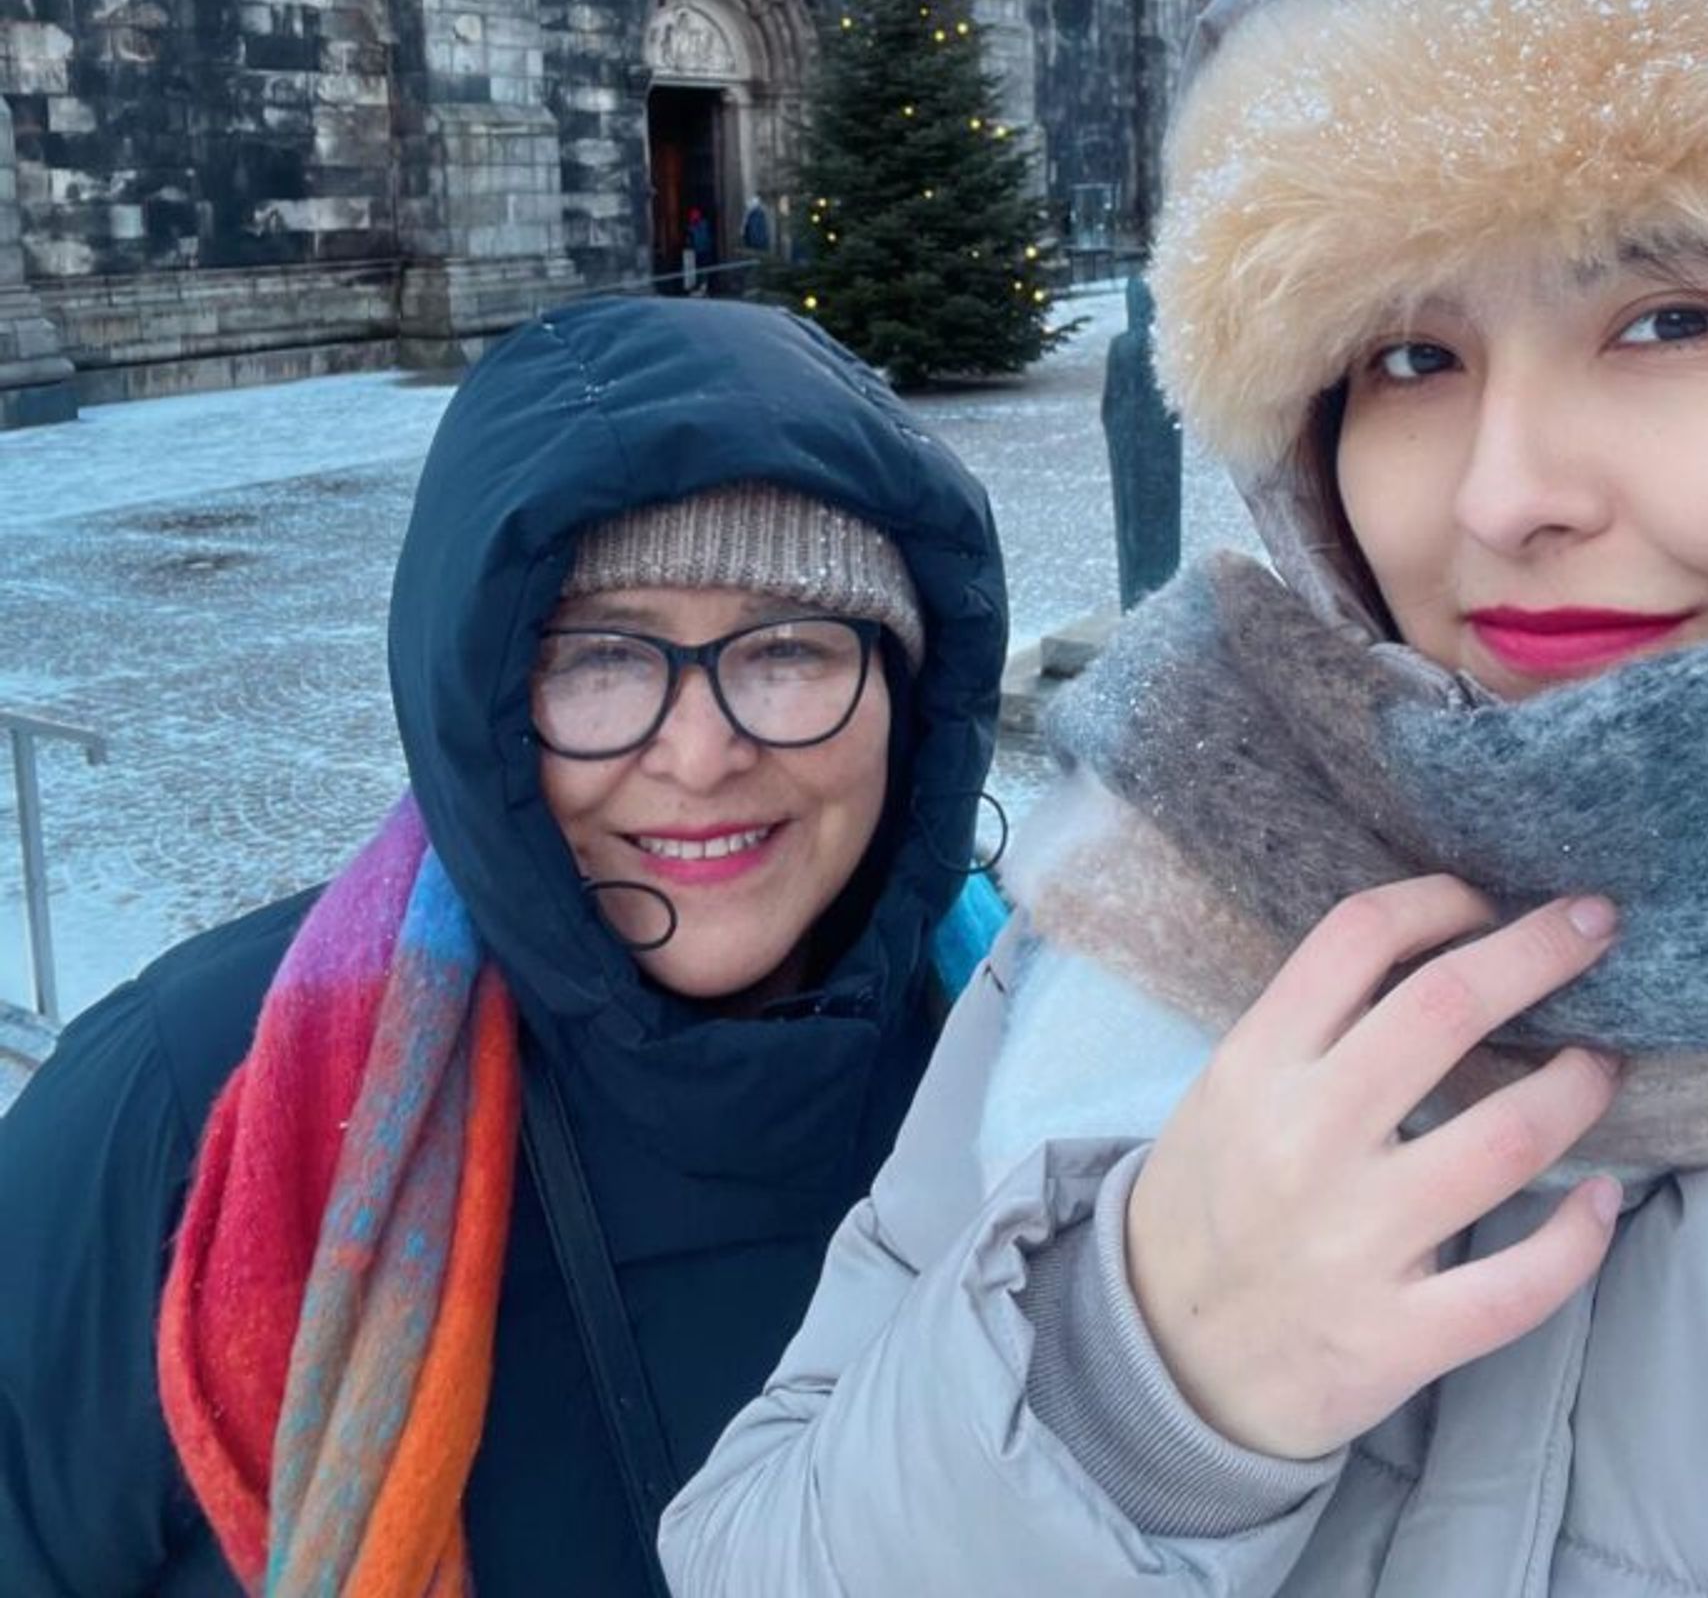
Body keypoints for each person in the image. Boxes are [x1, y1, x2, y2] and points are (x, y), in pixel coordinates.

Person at [662, 0, 1708, 1596]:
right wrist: (1133, 1389)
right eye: (1411, 355)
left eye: (1673, 320)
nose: (1504, 496)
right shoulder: (1168, 879)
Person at [0, 293, 1005, 1596]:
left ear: (908, 697)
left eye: (791, 648)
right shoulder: (188, 1104)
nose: (701, 754)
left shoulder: (1049, 1078)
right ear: (484, 703)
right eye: (598, 658)